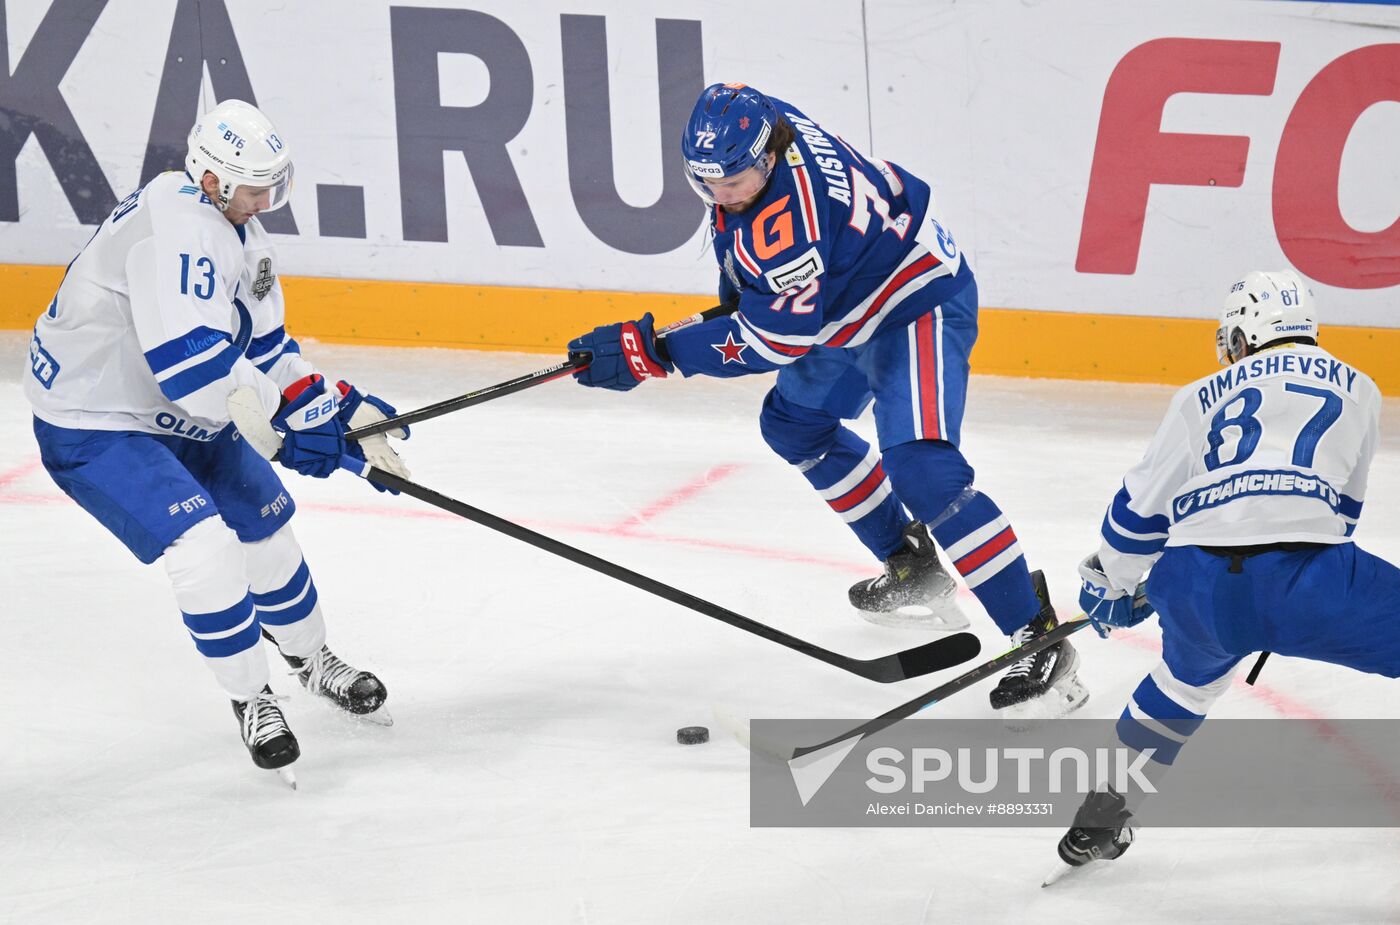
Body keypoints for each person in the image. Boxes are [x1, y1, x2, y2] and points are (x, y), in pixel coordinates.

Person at [566, 82, 1085, 719]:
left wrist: (658, 354)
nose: (721, 194)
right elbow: (760, 286)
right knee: (795, 426)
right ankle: (911, 564)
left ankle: (1038, 633)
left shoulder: (786, 228)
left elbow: (773, 341)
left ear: (768, 156)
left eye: (734, 181)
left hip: (916, 300)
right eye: (706, 182)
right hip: (849, 300)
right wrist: (708, 313)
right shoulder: (761, 121)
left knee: (925, 472)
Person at [24, 99, 411, 782]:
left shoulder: (241, 234)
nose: (268, 201)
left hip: (181, 410)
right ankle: (253, 697)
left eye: (275, 184)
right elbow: (193, 370)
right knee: (204, 546)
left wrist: (341, 409)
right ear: (211, 180)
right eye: (257, 187)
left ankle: (312, 660)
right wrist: (292, 437)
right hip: (96, 420)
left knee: (266, 527)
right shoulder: (173, 228)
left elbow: (265, 352)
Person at [1053, 268, 1395, 873]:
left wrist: (1117, 583)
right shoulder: (1362, 389)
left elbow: (1138, 511)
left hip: (1197, 584)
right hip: (1313, 579)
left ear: (1242, 335)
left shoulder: (1198, 395)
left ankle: (1101, 816)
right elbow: (1344, 513)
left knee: (1181, 686)